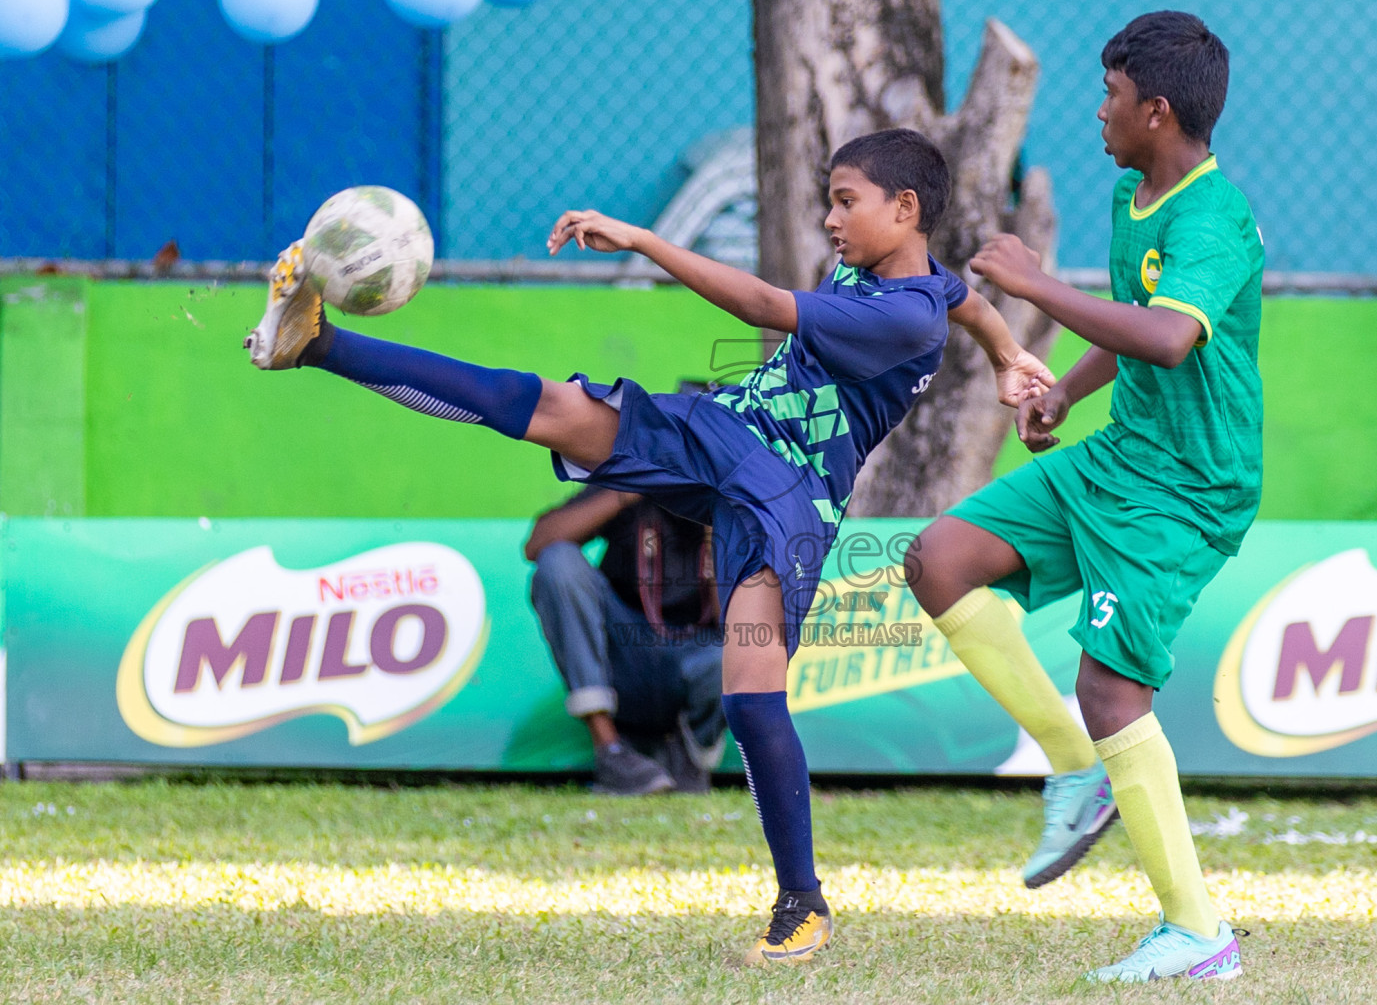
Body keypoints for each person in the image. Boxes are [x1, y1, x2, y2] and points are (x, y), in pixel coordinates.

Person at [242, 127, 1055, 965]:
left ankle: (802, 902)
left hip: (790, 497)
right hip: (731, 430)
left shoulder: (899, 316)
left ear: (906, 207)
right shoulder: (917, 277)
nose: (830, 218)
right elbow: (967, 297)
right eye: (830, 199)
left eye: (845, 201)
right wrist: (1005, 354)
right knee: (545, 408)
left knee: (750, 695)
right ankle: (320, 344)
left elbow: (765, 307)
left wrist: (642, 238)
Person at [905, 11, 1261, 983]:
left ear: (1156, 108)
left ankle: (1199, 935)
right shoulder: (1131, 192)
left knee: (1113, 687)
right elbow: (1134, 320)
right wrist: (1062, 386)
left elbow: (1172, 336)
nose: (1096, 109)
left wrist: (1035, 284)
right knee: (938, 558)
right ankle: (1072, 764)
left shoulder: (1213, 215)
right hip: (1120, 456)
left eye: (1109, 93)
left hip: (1188, 488)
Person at [524, 482, 726, 796]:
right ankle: (610, 751)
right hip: (625, 657)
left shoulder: (730, 494)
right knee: (558, 563)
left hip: (695, 661)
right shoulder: (633, 475)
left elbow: (731, 623)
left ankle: (693, 757)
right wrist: (627, 490)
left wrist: (719, 531)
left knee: (747, 639)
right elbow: (536, 545)